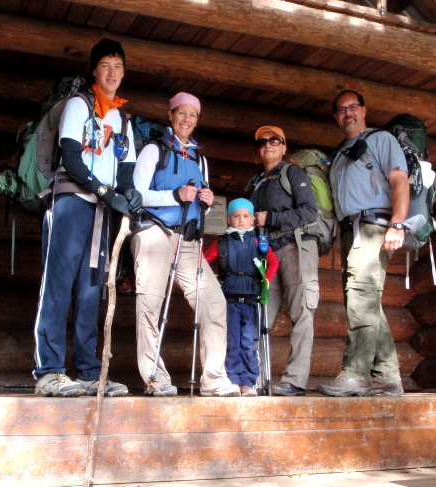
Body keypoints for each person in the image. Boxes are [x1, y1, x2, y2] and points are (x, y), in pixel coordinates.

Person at [32, 38, 142, 397]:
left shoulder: (122, 117)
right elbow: (72, 157)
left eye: (118, 67)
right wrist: (103, 191)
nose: (112, 73)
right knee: (58, 285)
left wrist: (128, 193)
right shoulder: (80, 105)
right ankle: (49, 372)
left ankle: (89, 371)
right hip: (71, 203)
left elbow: (125, 168)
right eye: (106, 66)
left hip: (102, 210)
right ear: (95, 70)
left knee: (91, 290)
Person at [131, 92, 240, 397]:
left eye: (192, 115)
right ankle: (155, 378)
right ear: (171, 115)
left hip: (188, 239)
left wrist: (206, 201)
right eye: (181, 113)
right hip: (155, 233)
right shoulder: (155, 149)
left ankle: (214, 379)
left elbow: (197, 197)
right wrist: (174, 196)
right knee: (150, 305)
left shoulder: (200, 159)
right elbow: (136, 194)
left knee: (214, 303)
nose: (186, 120)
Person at [317, 90, 408, 397]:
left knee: (360, 296)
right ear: (335, 116)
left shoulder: (381, 140)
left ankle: (356, 374)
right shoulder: (341, 152)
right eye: (341, 110)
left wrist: (398, 224)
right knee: (364, 299)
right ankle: (386, 376)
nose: (348, 113)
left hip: (373, 226)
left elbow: (400, 181)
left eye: (352, 107)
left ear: (364, 110)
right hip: (351, 231)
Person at [247, 126, 319, 396]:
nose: (268, 145)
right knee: (261, 313)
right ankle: (254, 377)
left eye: (274, 140)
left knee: (302, 312)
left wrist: (271, 219)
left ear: (284, 147)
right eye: (263, 142)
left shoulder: (292, 173)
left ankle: (294, 379)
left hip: (295, 246)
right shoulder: (255, 181)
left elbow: (310, 211)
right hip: (266, 253)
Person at [203, 198, 279, 397]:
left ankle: (249, 381)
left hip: (252, 300)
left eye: (246, 216)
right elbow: (204, 261)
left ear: (253, 219)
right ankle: (233, 380)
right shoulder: (223, 242)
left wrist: (266, 281)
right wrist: (213, 282)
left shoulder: (259, 242)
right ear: (229, 219)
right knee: (232, 340)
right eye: (236, 216)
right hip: (230, 300)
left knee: (249, 340)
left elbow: (273, 263)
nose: (241, 220)